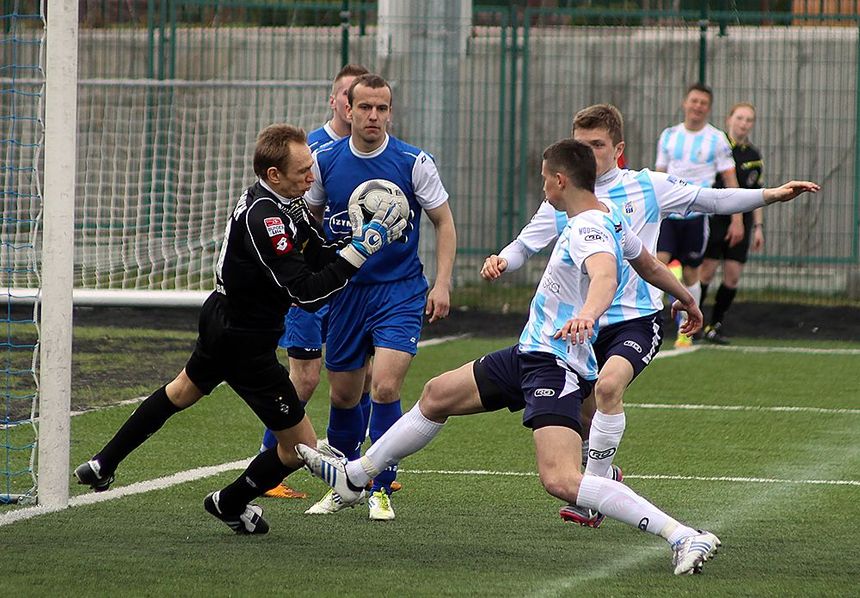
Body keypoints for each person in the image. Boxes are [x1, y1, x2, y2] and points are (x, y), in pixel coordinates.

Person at [296, 139, 720, 576]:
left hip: (553, 365)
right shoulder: (606, 216)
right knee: (437, 394)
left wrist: (590, 315)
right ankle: (356, 477)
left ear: (559, 180)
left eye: (543, 179)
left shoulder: (586, 227)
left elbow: (605, 275)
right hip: (530, 354)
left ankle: (683, 534)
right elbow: (648, 265)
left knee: (561, 480)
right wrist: (688, 299)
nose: (542, 187)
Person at [480, 104, 819, 527]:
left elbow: (710, 198)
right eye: (581, 145)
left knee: (608, 387)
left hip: (634, 320)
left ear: (618, 148)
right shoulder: (562, 197)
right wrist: (501, 262)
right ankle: (603, 477)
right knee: (585, 412)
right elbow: (524, 244)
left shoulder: (647, 187)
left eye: (597, 145)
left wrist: (769, 195)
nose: (588, 153)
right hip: (578, 326)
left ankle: (594, 490)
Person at [73, 124, 407, 534]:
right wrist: (359, 252)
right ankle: (230, 502)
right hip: (245, 340)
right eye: (303, 170)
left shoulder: (288, 201)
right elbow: (307, 293)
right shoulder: (265, 217)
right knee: (298, 448)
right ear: (273, 175)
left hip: (224, 320)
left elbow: (317, 252)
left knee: (180, 392)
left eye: (311, 167)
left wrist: (356, 241)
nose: (311, 177)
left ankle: (103, 462)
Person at [302, 73, 457, 520]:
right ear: (347, 109)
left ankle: (381, 488)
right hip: (347, 293)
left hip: (400, 291)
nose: (374, 116)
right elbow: (309, 219)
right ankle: (342, 483)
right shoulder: (324, 160)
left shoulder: (413, 161)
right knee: (345, 396)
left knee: (386, 385)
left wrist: (442, 283)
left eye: (382, 108)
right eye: (365, 107)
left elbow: (444, 223)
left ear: (390, 111)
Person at [259, 64, 372, 500]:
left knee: (359, 378)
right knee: (304, 380)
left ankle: (357, 464)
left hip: (347, 287)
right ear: (336, 101)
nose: (352, 104)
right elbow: (296, 222)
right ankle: (270, 468)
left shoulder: (371, 153)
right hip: (309, 286)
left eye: (358, 97)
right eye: (346, 96)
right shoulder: (310, 152)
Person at [654, 83, 739, 349]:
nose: (697, 106)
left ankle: (686, 329)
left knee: (692, 273)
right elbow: (658, 175)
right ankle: (648, 322)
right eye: (694, 101)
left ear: (708, 107)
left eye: (703, 103)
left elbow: (729, 178)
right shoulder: (669, 135)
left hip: (696, 217)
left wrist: (737, 218)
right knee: (657, 265)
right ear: (685, 103)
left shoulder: (716, 139)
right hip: (668, 215)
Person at [699, 102, 764, 345]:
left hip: (743, 219)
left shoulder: (753, 156)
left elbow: (757, 194)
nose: (744, 123)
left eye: (749, 120)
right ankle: (695, 323)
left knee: (733, 276)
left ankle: (714, 326)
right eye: (740, 118)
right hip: (716, 217)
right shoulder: (717, 146)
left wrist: (757, 227)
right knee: (705, 271)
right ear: (729, 119)